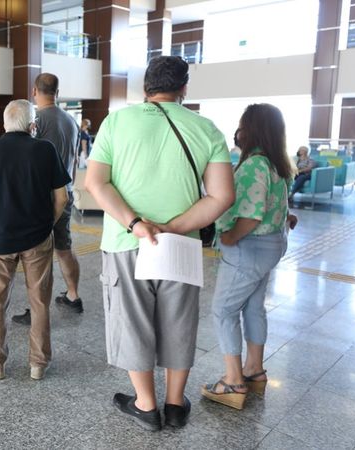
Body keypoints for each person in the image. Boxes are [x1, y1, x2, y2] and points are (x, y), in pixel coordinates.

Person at [85, 56, 235, 431]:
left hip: (125, 242)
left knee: (132, 320)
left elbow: (97, 183)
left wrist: (136, 224)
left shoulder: (117, 121)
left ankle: (146, 405)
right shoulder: (206, 129)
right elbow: (221, 197)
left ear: (145, 88)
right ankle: (174, 404)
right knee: (179, 320)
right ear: (184, 88)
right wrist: (172, 227)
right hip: (179, 246)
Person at [202, 104, 297, 410]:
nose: (238, 131)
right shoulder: (276, 164)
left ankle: (232, 381)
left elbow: (251, 216)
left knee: (223, 310)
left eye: (242, 125)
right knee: (254, 307)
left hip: (250, 247)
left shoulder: (255, 165)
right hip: (271, 245)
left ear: (252, 129)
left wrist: (228, 236)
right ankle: (254, 369)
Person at [0, 100, 71, 381]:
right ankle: (38, 364)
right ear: (33, 126)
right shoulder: (45, 149)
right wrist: (46, 226)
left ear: (4, 125)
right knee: (39, 301)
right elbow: (62, 197)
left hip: (0, 237)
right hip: (37, 239)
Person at [13, 73, 82, 326]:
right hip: (65, 192)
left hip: (41, 198)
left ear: (34, 91)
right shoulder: (71, 121)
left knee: (38, 256)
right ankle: (73, 296)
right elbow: (74, 161)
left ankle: (36, 309)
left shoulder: (36, 119)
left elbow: (26, 158)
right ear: (57, 91)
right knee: (64, 248)